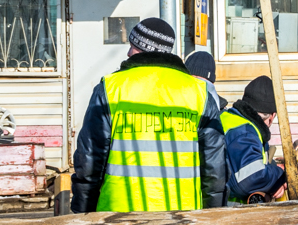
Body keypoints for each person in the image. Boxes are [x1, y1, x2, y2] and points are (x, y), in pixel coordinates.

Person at [72, 18, 226, 212]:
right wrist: (212, 217)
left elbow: (90, 160)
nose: (128, 52)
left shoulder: (111, 88)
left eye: (133, 46)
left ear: (144, 48)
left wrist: (83, 212)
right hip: (183, 217)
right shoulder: (199, 94)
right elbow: (214, 168)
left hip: (117, 216)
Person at [221, 75, 291, 203]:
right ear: (272, 116)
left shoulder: (229, 119)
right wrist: (280, 176)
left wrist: (272, 171)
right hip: (229, 213)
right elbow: (251, 178)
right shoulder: (245, 132)